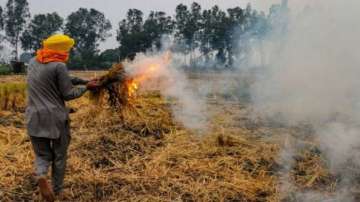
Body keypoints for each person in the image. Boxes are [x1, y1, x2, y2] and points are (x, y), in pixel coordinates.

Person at [26, 34, 99, 201]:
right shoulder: (58, 65)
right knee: (59, 156)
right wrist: (87, 87)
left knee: (42, 155)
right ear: (60, 49)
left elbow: (64, 78)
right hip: (55, 119)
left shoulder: (33, 62)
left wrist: (84, 80)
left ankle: (41, 175)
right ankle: (58, 190)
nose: (68, 52)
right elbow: (68, 94)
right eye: (67, 49)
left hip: (33, 118)